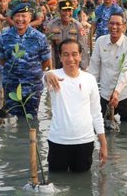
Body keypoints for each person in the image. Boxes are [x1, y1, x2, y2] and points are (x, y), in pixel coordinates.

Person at [42, 39, 107, 172]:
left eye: (74, 54)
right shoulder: (54, 77)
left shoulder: (89, 79)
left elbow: (96, 113)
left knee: (83, 186)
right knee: (57, 183)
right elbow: (42, 79)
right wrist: (46, 74)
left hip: (85, 142)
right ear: (60, 57)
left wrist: (103, 144)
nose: (70, 59)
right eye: (66, 54)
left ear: (80, 55)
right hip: (58, 141)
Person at [0, 3, 51, 118]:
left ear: (30, 18)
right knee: (11, 118)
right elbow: (2, 60)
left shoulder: (39, 37)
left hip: (32, 87)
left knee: (31, 119)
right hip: (11, 85)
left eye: (24, 16)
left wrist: (32, 71)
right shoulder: (4, 37)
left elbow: (46, 61)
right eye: (17, 16)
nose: (20, 19)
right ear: (12, 18)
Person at [89, 13, 127, 122]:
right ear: (107, 25)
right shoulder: (100, 42)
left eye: (118, 24)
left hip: (125, 93)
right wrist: (90, 89)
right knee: (103, 125)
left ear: (124, 27)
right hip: (105, 93)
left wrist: (117, 92)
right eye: (111, 23)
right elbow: (94, 68)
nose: (114, 27)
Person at [44, 0, 89, 69]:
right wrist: (51, 67)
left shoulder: (78, 26)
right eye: (64, 10)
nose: (67, 13)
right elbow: (49, 48)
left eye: (69, 10)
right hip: (57, 63)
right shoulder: (51, 25)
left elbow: (83, 47)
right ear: (59, 11)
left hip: (73, 63)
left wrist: (83, 67)